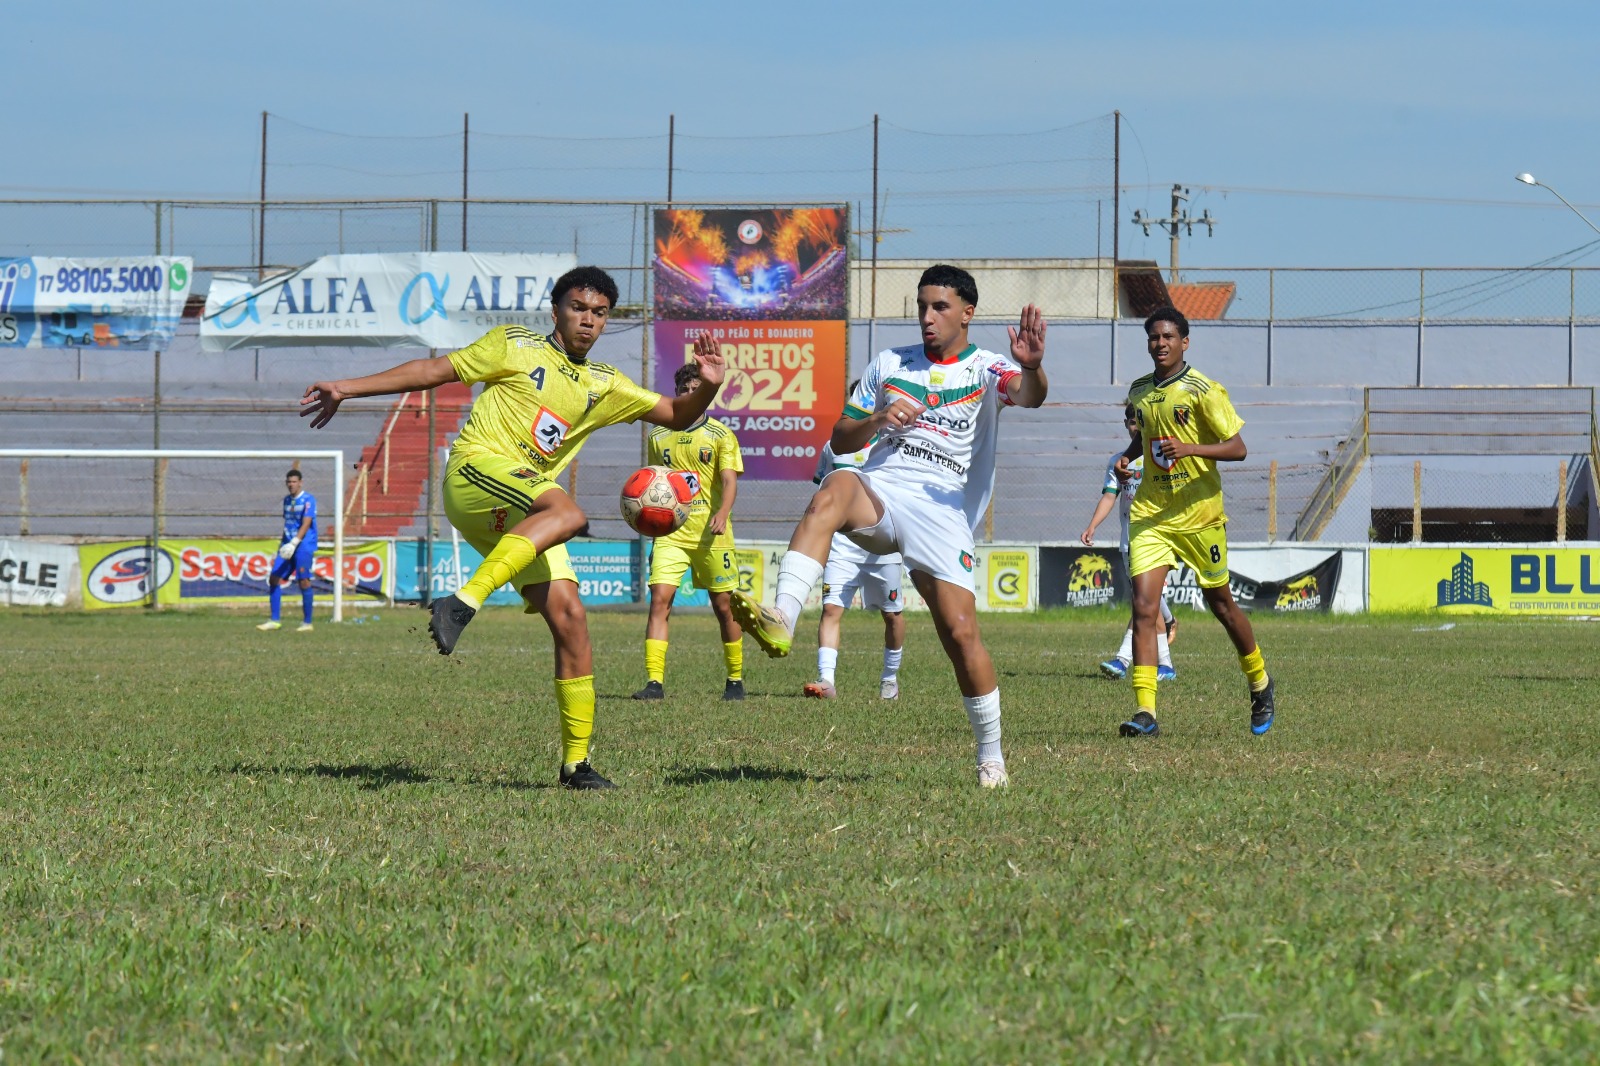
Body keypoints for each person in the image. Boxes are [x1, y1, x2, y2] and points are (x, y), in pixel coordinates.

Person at [301, 266, 727, 789]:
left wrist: (706, 387)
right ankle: (463, 601)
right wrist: (344, 387)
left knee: (571, 618)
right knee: (569, 513)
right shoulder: (514, 345)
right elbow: (434, 371)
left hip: (525, 510)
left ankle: (576, 765)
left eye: (599, 313)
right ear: (556, 311)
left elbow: (677, 413)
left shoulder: (604, 384)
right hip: (475, 473)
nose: (588, 321)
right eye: (578, 309)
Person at [731, 264, 1048, 788]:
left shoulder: (988, 368)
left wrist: (1032, 368)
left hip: (943, 511)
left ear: (967, 313)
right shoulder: (889, 363)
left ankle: (990, 755)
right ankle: (782, 616)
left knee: (961, 635)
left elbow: (1031, 395)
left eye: (940, 307)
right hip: (881, 490)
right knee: (832, 489)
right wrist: (879, 419)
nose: (927, 317)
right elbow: (842, 437)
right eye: (922, 306)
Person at [1114, 305, 1275, 738]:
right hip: (1152, 514)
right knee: (1144, 608)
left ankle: (1260, 683)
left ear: (1185, 342)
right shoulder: (1139, 391)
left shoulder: (1205, 390)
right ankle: (1145, 711)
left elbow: (1238, 447)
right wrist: (1127, 459)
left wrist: (1192, 449)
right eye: (1153, 337)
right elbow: (1143, 435)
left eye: (1168, 336)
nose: (1160, 343)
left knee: (1221, 604)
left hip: (1200, 516)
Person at [633, 361, 747, 702]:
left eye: (695, 390)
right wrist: (654, 531)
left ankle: (735, 680)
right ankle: (654, 683)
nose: (688, 396)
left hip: (711, 533)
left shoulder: (720, 435)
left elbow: (728, 480)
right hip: (672, 534)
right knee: (660, 601)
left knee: (724, 607)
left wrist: (723, 513)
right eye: (683, 391)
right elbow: (653, 486)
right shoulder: (658, 435)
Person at [803, 431, 906, 701]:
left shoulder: (894, 444)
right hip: (843, 545)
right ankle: (827, 680)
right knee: (831, 608)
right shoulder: (832, 446)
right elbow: (824, 493)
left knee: (892, 615)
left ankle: (889, 679)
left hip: (883, 542)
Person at [1080, 404, 1177, 681]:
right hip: (1129, 542)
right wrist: (1093, 525)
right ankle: (1166, 661)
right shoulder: (1118, 461)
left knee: (1143, 601)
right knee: (1149, 602)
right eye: (1131, 421)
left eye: (1139, 421)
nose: (1135, 426)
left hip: (1157, 540)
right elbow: (1110, 496)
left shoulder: (1161, 458)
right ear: (1126, 424)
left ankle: (1123, 659)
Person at [257, 468, 317, 632]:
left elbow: (306, 523)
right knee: (274, 578)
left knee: (303, 581)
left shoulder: (308, 500)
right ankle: (274, 620)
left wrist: (295, 541)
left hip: (303, 545)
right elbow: (288, 522)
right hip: (287, 545)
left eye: (294, 482)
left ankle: (307, 623)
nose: (291, 485)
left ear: (300, 483)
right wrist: (286, 542)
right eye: (289, 482)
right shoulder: (286, 501)